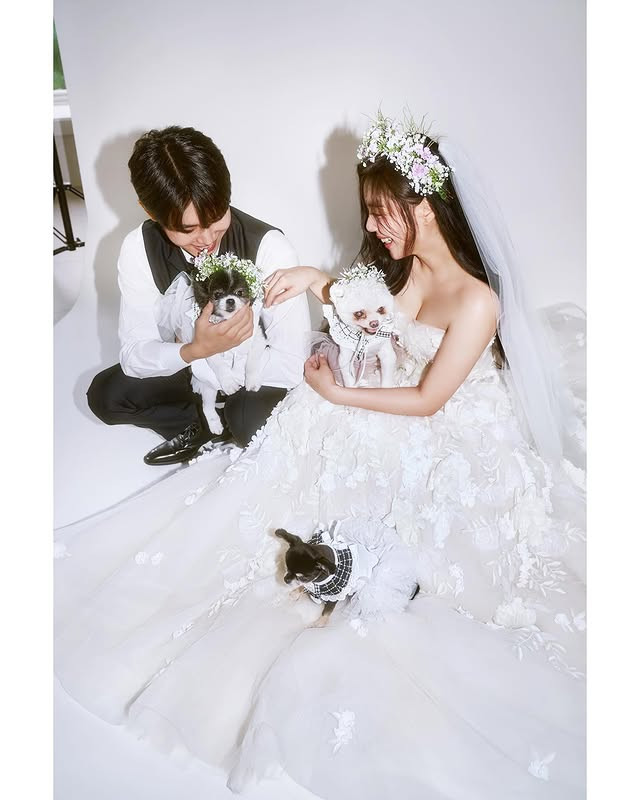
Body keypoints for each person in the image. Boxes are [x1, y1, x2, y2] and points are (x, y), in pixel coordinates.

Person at [55, 114, 586, 799]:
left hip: (446, 420)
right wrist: (315, 285)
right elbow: (370, 310)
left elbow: (428, 400)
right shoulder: (402, 266)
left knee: (329, 433)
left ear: (427, 207)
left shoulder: (477, 301)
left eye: (384, 212)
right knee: (286, 438)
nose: (375, 226)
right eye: (371, 212)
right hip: (373, 390)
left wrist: (337, 390)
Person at [86, 126, 311, 465]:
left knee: (248, 422)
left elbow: (292, 366)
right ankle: (204, 425)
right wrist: (196, 350)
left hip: (253, 367)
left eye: (217, 219)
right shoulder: (137, 248)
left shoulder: (270, 246)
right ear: (150, 211)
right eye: (188, 229)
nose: (206, 239)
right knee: (106, 396)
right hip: (192, 362)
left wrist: (227, 361)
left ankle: (226, 417)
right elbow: (134, 355)